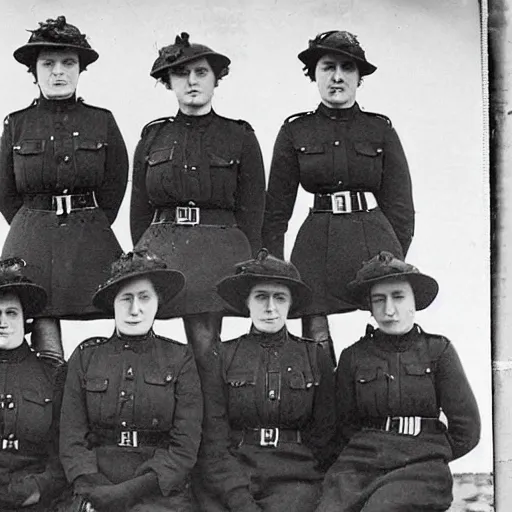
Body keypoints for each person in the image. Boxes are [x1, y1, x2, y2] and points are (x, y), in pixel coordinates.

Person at [261, 30, 415, 365]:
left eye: (347, 68)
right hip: (315, 248)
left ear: (359, 78)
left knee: (387, 333)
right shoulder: (295, 131)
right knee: (315, 342)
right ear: (313, 74)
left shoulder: (380, 130)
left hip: (374, 245)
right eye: (327, 67)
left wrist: (394, 260)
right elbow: (276, 211)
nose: (337, 77)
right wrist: (275, 268)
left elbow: (401, 208)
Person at [130, 32, 266, 364]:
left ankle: (212, 416)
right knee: (145, 345)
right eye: (181, 73)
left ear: (216, 79)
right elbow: (139, 210)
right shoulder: (153, 137)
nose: (192, 81)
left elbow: (253, 210)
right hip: (164, 251)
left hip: (218, 255)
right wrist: (147, 255)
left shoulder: (240, 137)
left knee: (206, 346)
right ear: (168, 81)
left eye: (201, 73)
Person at [0, 15, 129, 363]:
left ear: (79, 70)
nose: (59, 71)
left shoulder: (101, 120)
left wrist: (94, 219)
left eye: (68, 63)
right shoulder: (16, 123)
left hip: (90, 236)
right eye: (48, 63)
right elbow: (6, 190)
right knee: (43, 334)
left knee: (115, 316)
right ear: (34, 71)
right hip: (33, 239)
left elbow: (116, 181)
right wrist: (32, 222)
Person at [315, 251, 481, 512]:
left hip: (420, 468)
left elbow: (467, 430)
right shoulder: (353, 357)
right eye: (379, 300)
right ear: (369, 307)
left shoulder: (438, 351)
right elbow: (342, 425)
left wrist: (433, 454)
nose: (389, 310)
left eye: (398, 297)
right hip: (360, 466)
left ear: (415, 300)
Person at [59, 250, 203, 511]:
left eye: (144, 298)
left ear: (157, 302)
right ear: (113, 303)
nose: (135, 309)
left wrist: (129, 492)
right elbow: (72, 440)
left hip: (157, 490)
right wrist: (96, 488)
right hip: (96, 486)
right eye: (126, 298)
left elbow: (184, 446)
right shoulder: (86, 357)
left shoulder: (179, 358)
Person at [195, 248, 336, 512]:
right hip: (235, 473)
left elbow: (325, 433)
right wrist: (238, 498)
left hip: (295, 477)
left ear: (290, 303)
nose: (270, 308)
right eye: (261, 297)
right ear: (246, 302)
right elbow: (214, 437)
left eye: (279, 298)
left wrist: (305, 472)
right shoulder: (222, 356)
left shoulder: (313, 356)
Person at [0, 257, 67, 511]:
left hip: (35, 499)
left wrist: (41, 488)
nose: (2, 322)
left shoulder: (52, 376)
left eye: (11, 313)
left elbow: (67, 449)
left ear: (26, 321)